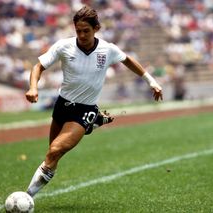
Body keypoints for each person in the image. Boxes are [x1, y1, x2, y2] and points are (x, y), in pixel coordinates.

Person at [25, 5, 163, 197]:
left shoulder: (107, 50)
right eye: (78, 31)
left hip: (84, 109)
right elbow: (38, 66)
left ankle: (27, 196)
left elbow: (128, 60)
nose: (81, 35)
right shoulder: (64, 46)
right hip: (61, 105)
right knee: (53, 153)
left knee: (54, 150)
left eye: (86, 31)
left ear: (96, 28)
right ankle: (93, 123)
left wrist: (152, 81)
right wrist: (33, 87)